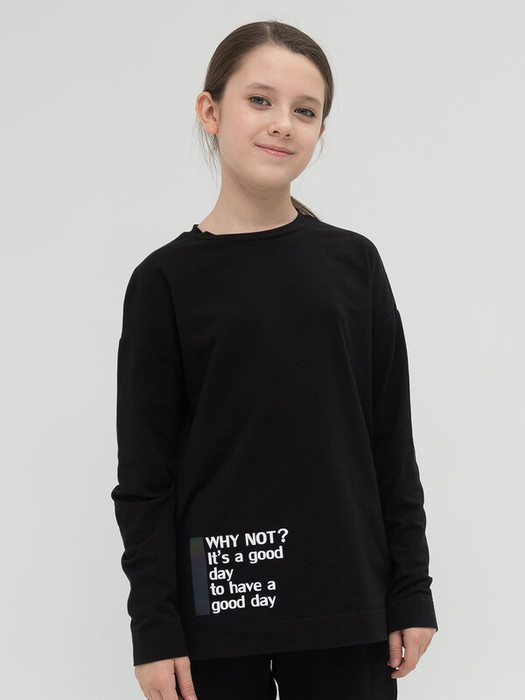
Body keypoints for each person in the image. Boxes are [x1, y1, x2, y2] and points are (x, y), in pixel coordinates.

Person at [111, 19, 438, 700]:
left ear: (320, 130)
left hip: (346, 600)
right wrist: (155, 627)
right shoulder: (163, 282)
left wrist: (412, 589)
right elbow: (145, 477)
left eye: (305, 110)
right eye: (259, 100)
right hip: (220, 601)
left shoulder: (353, 265)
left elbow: (389, 440)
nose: (282, 123)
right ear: (210, 111)